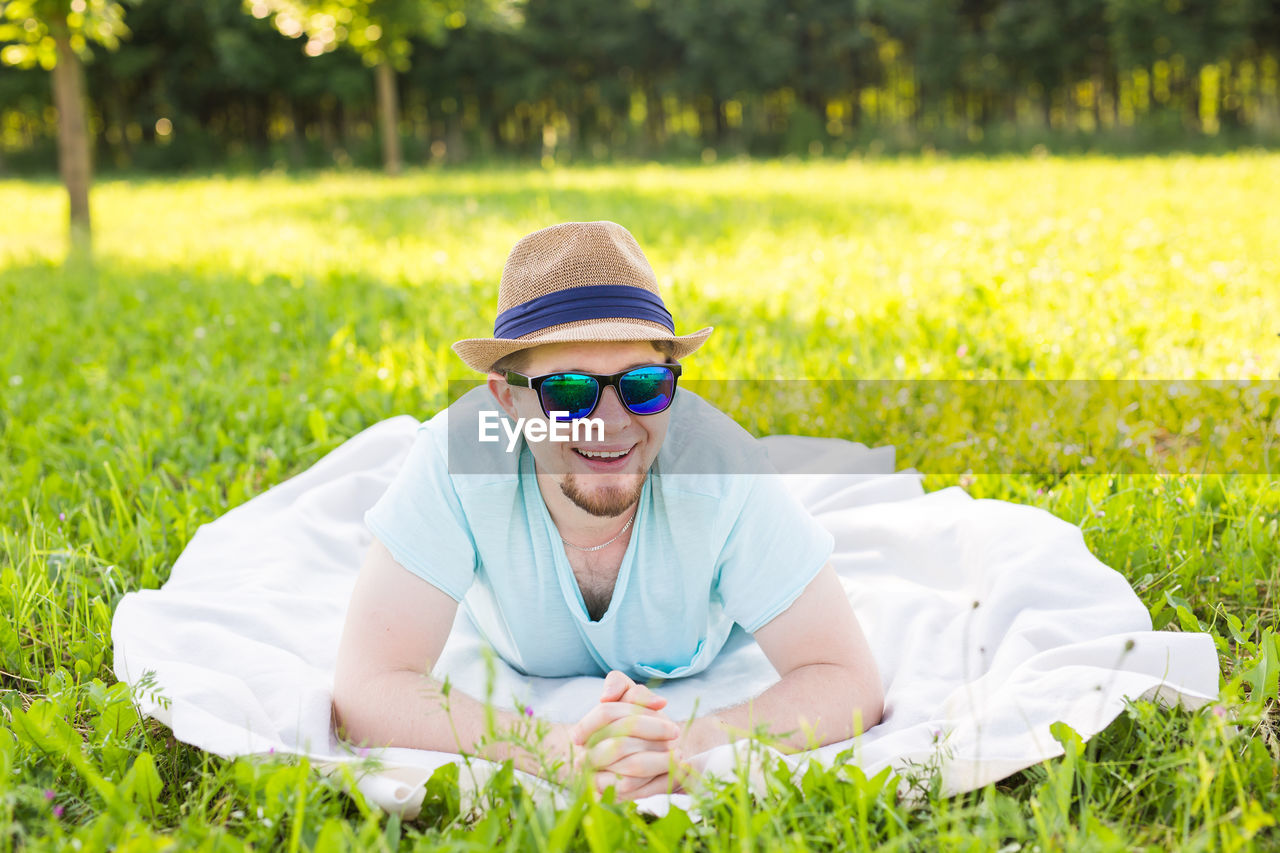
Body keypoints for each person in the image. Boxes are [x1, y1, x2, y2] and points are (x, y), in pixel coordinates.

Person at [332, 221, 883, 800]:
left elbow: (846, 677)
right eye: (568, 393)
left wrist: (686, 745)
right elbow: (368, 687)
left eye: (644, 384)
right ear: (507, 398)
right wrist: (559, 753)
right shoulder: (456, 458)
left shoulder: (723, 470)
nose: (612, 422)